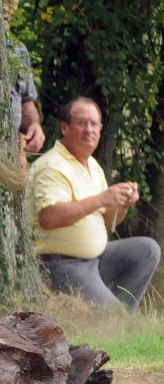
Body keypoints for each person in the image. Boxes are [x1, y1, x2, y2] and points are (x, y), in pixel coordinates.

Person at [28, 97, 160, 311]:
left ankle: (121, 316)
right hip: (60, 265)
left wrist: (122, 204)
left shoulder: (93, 166)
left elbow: (109, 223)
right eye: (81, 123)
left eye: (94, 124)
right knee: (114, 317)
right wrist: (102, 198)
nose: (89, 130)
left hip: (95, 260)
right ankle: (117, 321)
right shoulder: (52, 166)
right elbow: (48, 217)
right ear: (65, 127)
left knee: (148, 250)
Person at [1, 0, 46, 162]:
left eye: (9, 2)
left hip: (12, 150)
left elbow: (26, 103)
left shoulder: (19, 51)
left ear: (15, 9)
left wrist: (34, 125)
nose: (4, 6)